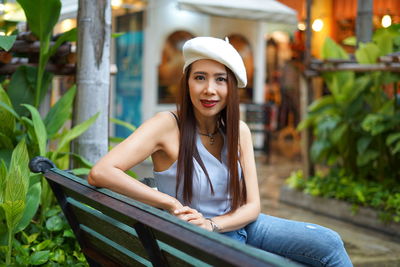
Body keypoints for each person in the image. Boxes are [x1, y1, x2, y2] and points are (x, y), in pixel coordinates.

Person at [88, 36, 353, 267]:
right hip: (198, 239)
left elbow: (252, 207)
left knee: (329, 242)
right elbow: (102, 172)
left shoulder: (239, 131)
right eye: (200, 77)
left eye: (220, 80)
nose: (209, 89)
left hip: (240, 226)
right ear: (187, 82)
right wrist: (169, 203)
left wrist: (215, 224)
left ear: (231, 88)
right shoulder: (166, 125)